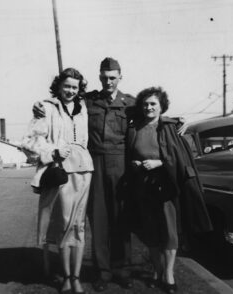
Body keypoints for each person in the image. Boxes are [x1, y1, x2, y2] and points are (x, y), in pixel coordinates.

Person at [126, 86, 212, 293]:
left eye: (153, 104)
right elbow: (128, 156)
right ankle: (157, 270)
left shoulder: (171, 128)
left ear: (161, 106)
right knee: (151, 233)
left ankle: (169, 275)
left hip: (166, 187)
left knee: (170, 233)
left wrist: (160, 163)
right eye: (145, 104)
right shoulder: (134, 128)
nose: (149, 107)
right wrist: (136, 164)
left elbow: (180, 159)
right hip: (143, 187)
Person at [23, 68, 94, 294]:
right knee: (64, 223)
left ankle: (76, 277)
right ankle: (65, 277)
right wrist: (53, 153)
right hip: (61, 171)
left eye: (75, 87)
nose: (71, 91)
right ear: (59, 86)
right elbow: (30, 142)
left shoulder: (84, 108)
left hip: (85, 169)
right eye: (67, 86)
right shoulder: (47, 108)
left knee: (79, 225)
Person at [85, 57, 135, 291]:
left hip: (121, 164)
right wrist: (40, 105)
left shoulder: (131, 103)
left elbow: (151, 119)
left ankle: (122, 269)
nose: (108, 82)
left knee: (121, 217)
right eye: (104, 78)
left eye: (112, 78)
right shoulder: (88, 101)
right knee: (99, 218)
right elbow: (62, 105)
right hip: (95, 162)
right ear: (99, 77)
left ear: (120, 77)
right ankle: (102, 271)